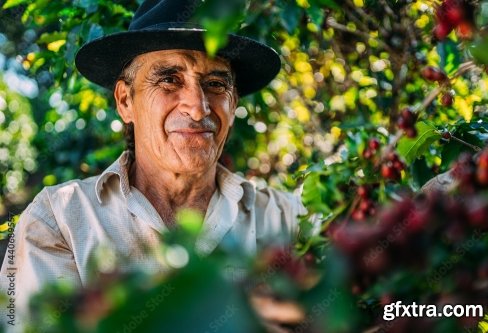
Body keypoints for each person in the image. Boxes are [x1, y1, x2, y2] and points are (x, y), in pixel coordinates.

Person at [0, 0, 306, 329]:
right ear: (125, 101)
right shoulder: (59, 220)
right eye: (169, 80)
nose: (198, 108)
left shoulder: (286, 220)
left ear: (233, 106)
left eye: (216, 85)